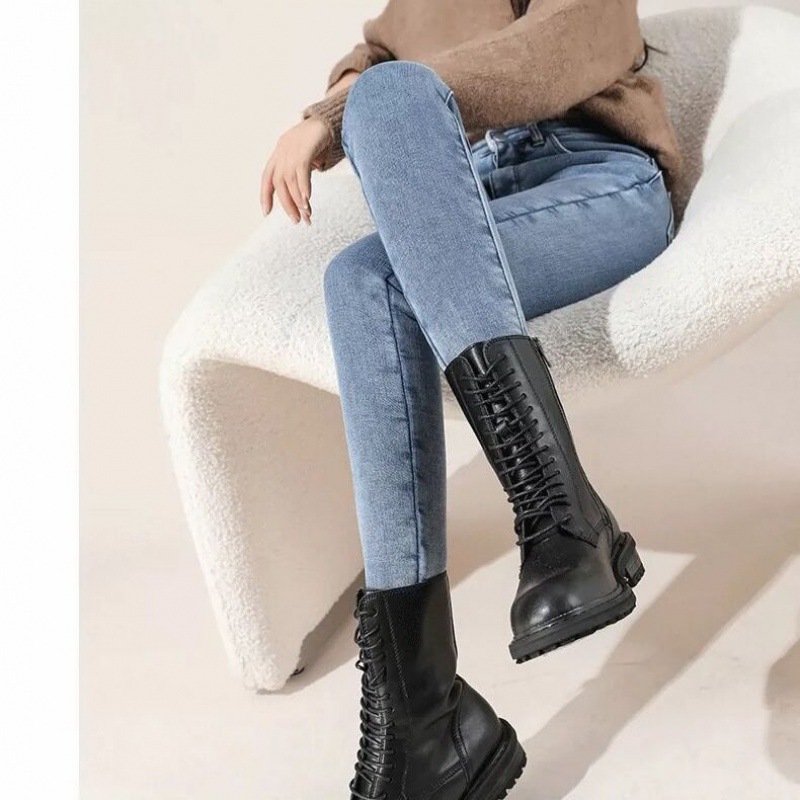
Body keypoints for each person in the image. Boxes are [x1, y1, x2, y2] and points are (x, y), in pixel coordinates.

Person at [260, 1, 681, 797]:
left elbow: (557, 50)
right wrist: (331, 106)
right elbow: (378, 53)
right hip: (477, 199)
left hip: (599, 179)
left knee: (387, 101)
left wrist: (349, 109)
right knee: (357, 280)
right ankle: (423, 720)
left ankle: (560, 515)